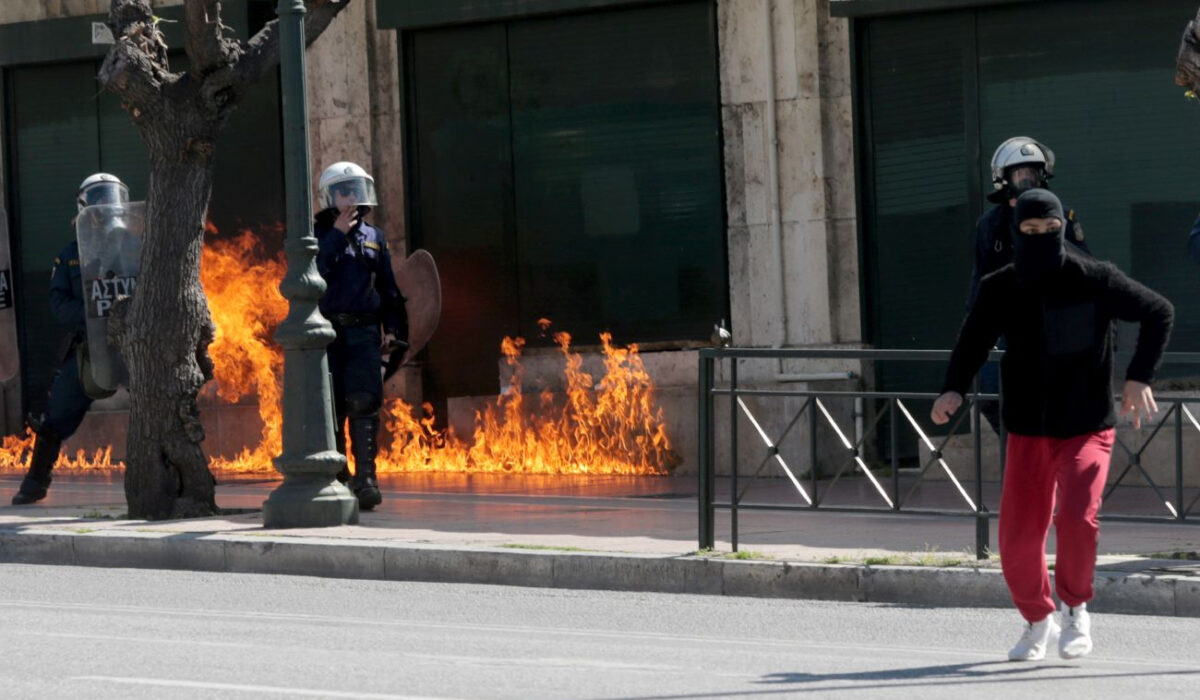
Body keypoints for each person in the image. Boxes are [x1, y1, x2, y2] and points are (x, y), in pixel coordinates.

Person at [932, 189, 1173, 661]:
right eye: (1030, 230)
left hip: (1086, 424)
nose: (1041, 236)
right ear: (1016, 231)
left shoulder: (1094, 277)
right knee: (1018, 538)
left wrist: (1139, 377)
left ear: (1063, 226)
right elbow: (973, 338)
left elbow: (1158, 311)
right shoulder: (1000, 285)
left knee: (1078, 517)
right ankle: (1036, 620)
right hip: (1026, 428)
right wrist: (953, 388)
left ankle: (1076, 609)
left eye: (1050, 228)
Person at [12, 173, 129, 505]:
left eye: (109, 197)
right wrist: (91, 317)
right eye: (97, 199)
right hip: (89, 348)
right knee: (55, 415)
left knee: (162, 403)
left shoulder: (134, 245)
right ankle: (35, 484)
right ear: (84, 207)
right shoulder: (70, 254)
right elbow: (58, 303)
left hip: (135, 345)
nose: (104, 205)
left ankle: (179, 474)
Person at [968, 137, 1091, 433]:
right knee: (988, 393)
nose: (1027, 181)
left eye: (1032, 174)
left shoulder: (1060, 215)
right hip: (1006, 325)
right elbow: (980, 280)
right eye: (1019, 174)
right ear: (1003, 179)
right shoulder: (990, 224)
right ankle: (1020, 446)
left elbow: (1086, 268)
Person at [314, 161, 407, 511]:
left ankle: (366, 479)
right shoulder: (316, 236)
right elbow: (316, 271)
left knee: (365, 402)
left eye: (354, 189)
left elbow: (388, 288)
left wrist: (392, 328)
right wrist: (337, 233)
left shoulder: (374, 237)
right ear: (330, 196)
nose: (350, 196)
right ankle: (338, 476)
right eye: (343, 190)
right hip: (329, 332)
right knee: (334, 406)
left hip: (365, 331)